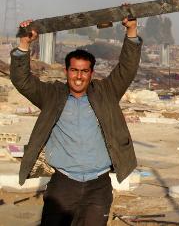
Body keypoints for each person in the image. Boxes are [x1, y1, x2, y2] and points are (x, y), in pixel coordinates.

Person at [10, 16, 142, 226]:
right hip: (63, 185)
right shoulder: (51, 95)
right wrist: (24, 44)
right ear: (66, 71)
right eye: (74, 70)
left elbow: (127, 68)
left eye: (84, 71)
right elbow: (22, 81)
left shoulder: (106, 92)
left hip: (98, 187)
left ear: (91, 73)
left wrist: (132, 30)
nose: (78, 76)